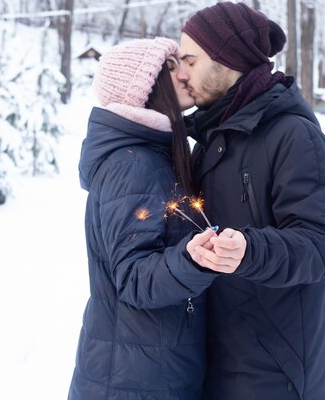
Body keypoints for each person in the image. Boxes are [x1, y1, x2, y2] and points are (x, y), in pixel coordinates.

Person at [175, 2, 325, 400]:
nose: (182, 74)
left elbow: (320, 244)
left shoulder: (293, 135)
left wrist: (251, 250)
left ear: (227, 61)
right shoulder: (212, 137)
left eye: (190, 61)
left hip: (273, 371)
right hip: (218, 358)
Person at [68, 37, 219, 400]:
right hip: (133, 380)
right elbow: (134, 277)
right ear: (142, 86)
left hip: (148, 370)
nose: (186, 74)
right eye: (170, 67)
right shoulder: (134, 164)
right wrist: (192, 260)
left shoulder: (153, 156)